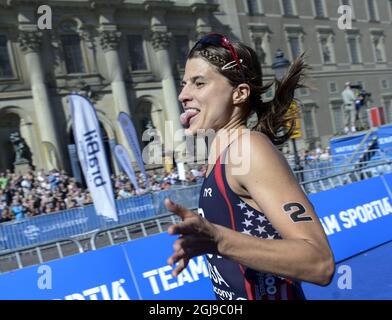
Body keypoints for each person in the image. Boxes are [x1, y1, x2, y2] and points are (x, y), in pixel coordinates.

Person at [164, 32, 334, 300]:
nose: (183, 95)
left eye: (199, 83)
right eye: (184, 84)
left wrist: (219, 240)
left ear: (239, 93)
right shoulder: (219, 156)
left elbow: (320, 262)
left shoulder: (249, 150)